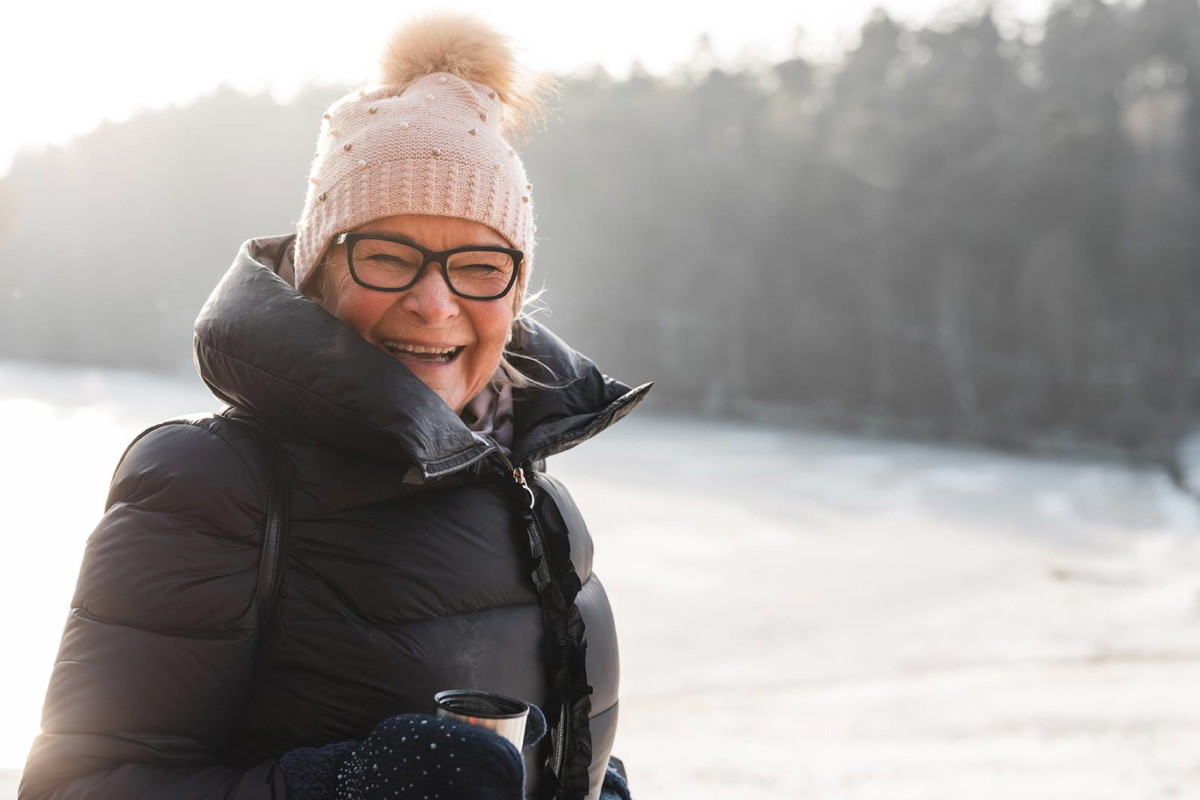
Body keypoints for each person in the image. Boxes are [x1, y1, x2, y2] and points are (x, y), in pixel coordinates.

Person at [18, 13, 649, 800]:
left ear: (513, 292)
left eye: (478, 264)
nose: (433, 302)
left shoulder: (534, 498)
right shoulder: (212, 487)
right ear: (319, 273)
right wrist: (346, 787)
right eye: (388, 256)